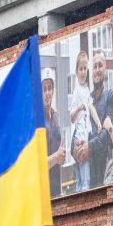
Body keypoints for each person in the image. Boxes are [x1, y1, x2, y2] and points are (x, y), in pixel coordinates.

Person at [85, 49, 113, 183]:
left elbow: (107, 133)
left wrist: (89, 146)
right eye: (95, 66)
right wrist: (75, 148)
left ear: (105, 68)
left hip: (104, 171)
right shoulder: (87, 98)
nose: (97, 70)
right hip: (86, 170)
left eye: (100, 66)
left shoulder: (109, 96)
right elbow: (79, 128)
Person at [67, 49, 93, 192]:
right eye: (80, 69)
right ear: (76, 72)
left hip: (85, 137)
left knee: (82, 180)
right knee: (85, 180)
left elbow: (90, 110)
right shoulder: (77, 91)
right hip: (80, 138)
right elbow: (72, 118)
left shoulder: (87, 90)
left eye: (85, 68)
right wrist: (79, 108)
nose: (83, 72)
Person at [41, 67, 66, 198]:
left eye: (49, 88)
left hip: (57, 192)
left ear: (53, 90)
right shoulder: (37, 121)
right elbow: (37, 164)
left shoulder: (55, 116)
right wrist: (57, 157)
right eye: (44, 89)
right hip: (43, 195)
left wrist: (61, 157)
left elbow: (60, 156)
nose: (47, 93)